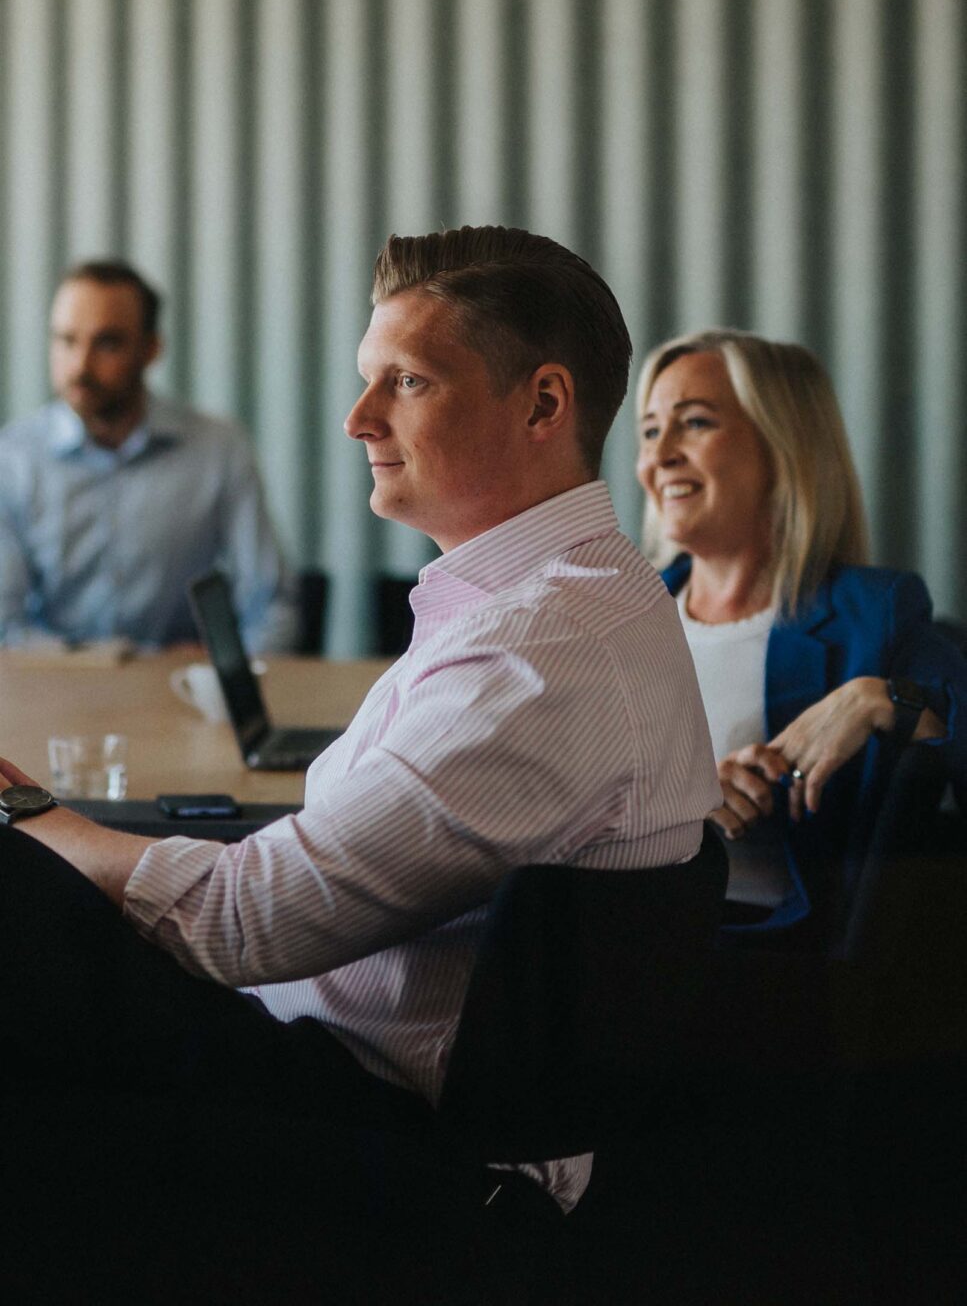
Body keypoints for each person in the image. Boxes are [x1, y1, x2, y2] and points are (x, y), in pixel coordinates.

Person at [0, 227, 719, 1304]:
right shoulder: (554, 605)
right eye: (362, 381)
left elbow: (244, 926)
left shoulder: (538, 655)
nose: (357, 420)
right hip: (341, 1051)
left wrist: (32, 810)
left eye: (407, 381)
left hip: (376, 1119)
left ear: (542, 404)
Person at [636, 327, 967, 939]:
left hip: (776, 962)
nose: (659, 458)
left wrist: (882, 701)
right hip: (620, 936)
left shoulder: (875, 612)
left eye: (696, 423)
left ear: (782, 442)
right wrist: (676, 812)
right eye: (651, 431)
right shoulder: (616, 618)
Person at [0, 258, 298, 652]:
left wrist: (224, 679)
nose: (80, 366)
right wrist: (99, 663)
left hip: (180, 696)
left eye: (107, 343)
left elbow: (272, 607)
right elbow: (4, 626)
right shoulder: (13, 459)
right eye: (66, 340)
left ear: (151, 349)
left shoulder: (218, 451)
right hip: (54, 694)